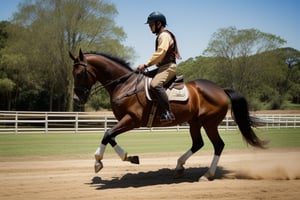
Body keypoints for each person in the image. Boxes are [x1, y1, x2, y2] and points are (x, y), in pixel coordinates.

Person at [138, 11, 181, 122]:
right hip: (163, 67)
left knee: (155, 85)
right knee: (142, 77)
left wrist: (146, 64)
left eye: (151, 24)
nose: (149, 27)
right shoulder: (161, 35)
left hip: (169, 67)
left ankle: (168, 112)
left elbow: (161, 52)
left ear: (159, 24)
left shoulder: (164, 35)